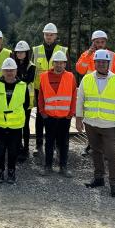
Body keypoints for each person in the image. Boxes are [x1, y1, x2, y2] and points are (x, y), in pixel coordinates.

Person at [76, 50, 115, 197]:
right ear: (95, 63)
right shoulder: (86, 79)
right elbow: (80, 100)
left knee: (112, 154)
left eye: (104, 62)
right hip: (91, 123)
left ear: (108, 63)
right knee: (95, 151)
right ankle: (99, 178)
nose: (101, 64)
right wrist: (79, 119)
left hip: (109, 125)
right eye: (98, 62)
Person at [76, 30, 115, 156]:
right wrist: (89, 53)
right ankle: (91, 146)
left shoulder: (114, 57)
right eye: (97, 42)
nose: (99, 44)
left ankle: (106, 150)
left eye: (102, 42)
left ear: (106, 42)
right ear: (93, 42)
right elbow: (80, 69)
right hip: (91, 94)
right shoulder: (87, 55)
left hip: (108, 95)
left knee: (107, 125)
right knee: (92, 122)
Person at [0, 57, 29, 184]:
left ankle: (11, 172)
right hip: (0, 125)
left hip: (15, 126)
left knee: (13, 151)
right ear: (3, 71)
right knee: (0, 150)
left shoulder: (23, 86)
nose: (9, 73)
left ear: (16, 71)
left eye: (12, 70)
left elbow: (25, 104)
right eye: (7, 70)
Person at [38, 51, 77, 178]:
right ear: (53, 63)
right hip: (49, 116)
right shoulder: (44, 76)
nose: (59, 65)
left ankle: (63, 167)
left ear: (65, 64)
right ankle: (48, 167)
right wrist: (42, 112)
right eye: (57, 62)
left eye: (61, 63)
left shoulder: (70, 76)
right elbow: (41, 96)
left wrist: (71, 113)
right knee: (49, 142)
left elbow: (74, 95)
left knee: (64, 143)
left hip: (64, 117)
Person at [32, 23, 68, 157]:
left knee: (54, 116)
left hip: (56, 89)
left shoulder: (63, 50)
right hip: (39, 87)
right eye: (47, 34)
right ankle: (39, 144)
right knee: (40, 116)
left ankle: (53, 145)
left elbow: (66, 70)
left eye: (51, 35)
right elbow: (32, 69)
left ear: (55, 36)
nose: (49, 37)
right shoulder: (36, 50)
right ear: (44, 35)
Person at [12, 40, 36, 162]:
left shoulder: (31, 66)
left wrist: (18, 78)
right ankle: (18, 147)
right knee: (16, 124)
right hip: (15, 99)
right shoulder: (13, 65)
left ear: (26, 53)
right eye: (18, 52)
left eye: (22, 52)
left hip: (27, 100)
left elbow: (27, 80)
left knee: (25, 125)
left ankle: (26, 148)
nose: (19, 54)